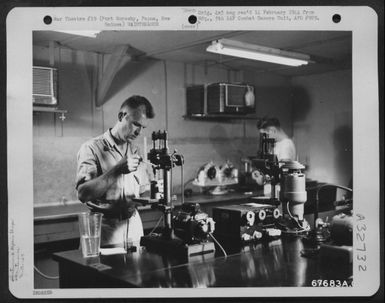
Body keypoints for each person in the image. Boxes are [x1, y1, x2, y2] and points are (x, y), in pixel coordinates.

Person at [76, 95, 155, 248]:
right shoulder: (91, 148)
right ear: (121, 116)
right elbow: (83, 194)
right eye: (136, 124)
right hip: (105, 230)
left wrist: (155, 186)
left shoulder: (135, 151)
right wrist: (117, 170)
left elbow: (142, 192)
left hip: (134, 226)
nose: (139, 132)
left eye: (142, 127)